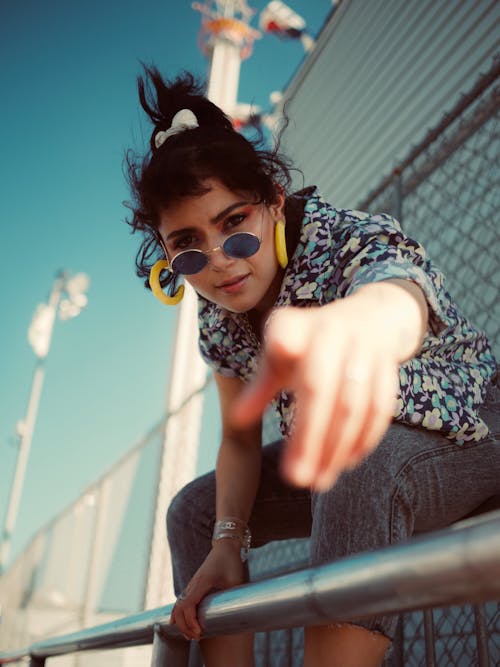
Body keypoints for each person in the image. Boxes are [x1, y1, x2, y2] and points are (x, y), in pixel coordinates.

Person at [126, 67, 499, 667]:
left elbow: (397, 296)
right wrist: (228, 541)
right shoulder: (217, 314)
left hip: (472, 428)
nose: (221, 263)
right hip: (340, 454)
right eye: (189, 248)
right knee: (195, 511)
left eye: (235, 227)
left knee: (355, 463)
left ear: (273, 203)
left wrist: (346, 331)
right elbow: (240, 440)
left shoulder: (344, 237)